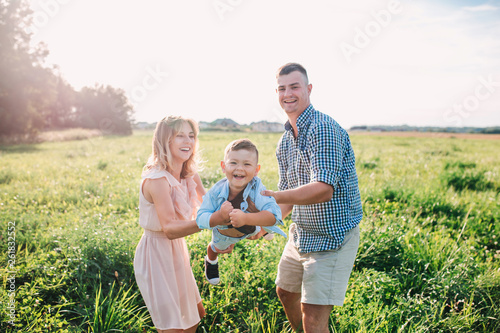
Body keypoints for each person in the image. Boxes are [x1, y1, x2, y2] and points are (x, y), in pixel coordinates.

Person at [261, 63, 363, 333]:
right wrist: (264, 224)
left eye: (294, 86)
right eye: (282, 88)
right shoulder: (285, 141)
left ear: (308, 89)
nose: (288, 93)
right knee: (285, 292)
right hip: (302, 234)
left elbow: (323, 189)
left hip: (333, 238)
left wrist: (274, 195)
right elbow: (286, 199)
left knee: (314, 316)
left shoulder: (323, 129)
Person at [134, 116, 216, 333]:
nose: (187, 141)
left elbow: (210, 206)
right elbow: (169, 229)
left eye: (191, 136)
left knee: (195, 317)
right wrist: (211, 221)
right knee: (174, 327)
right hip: (156, 254)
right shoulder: (157, 180)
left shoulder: (189, 175)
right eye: (179, 135)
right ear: (165, 140)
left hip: (178, 250)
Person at [196, 139, 287, 285]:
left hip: (249, 227)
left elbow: (275, 215)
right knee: (215, 248)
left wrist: (246, 218)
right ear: (223, 166)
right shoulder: (216, 191)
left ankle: (264, 229)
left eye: (247, 164)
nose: (240, 168)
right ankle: (211, 261)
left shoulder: (257, 188)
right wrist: (219, 216)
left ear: (256, 170)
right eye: (233, 163)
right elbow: (200, 218)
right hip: (225, 234)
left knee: (255, 234)